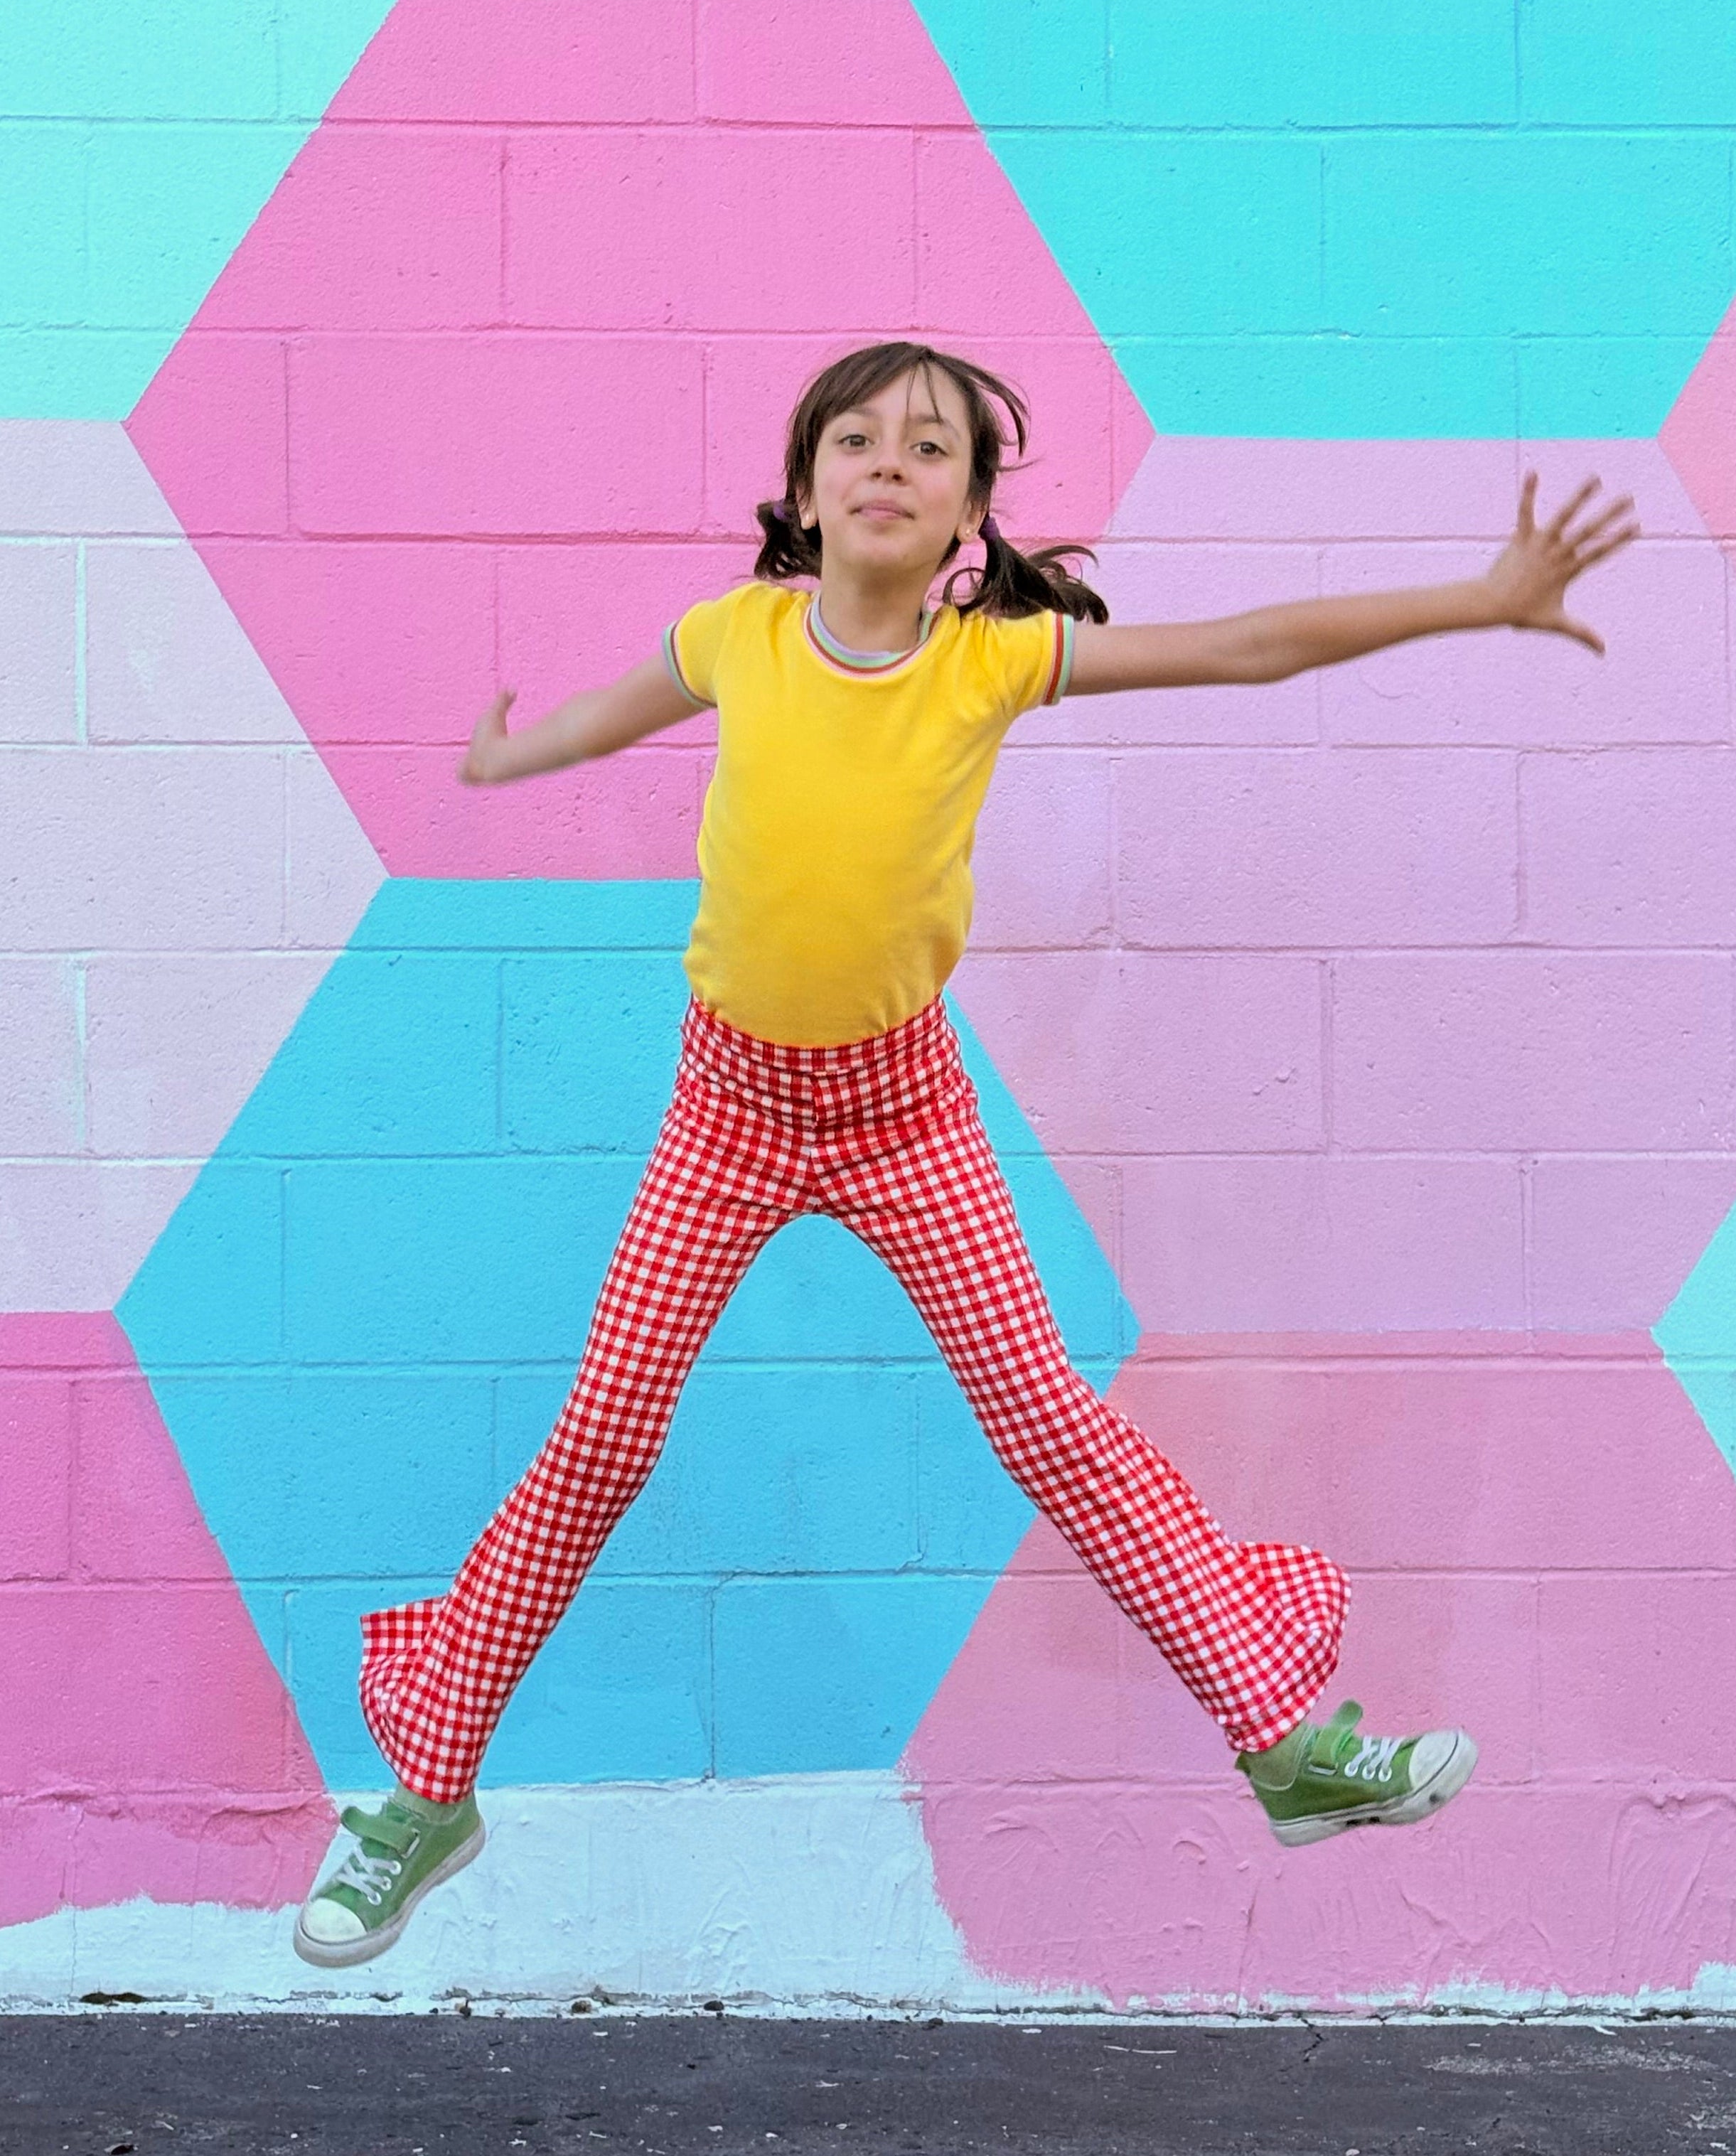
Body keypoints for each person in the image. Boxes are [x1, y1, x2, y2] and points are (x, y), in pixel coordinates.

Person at [294, 340, 1638, 1968]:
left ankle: (1287, 1744)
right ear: (802, 493)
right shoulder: (739, 636)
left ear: (969, 523)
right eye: (852, 439)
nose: (885, 462)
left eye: (928, 451)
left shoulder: (987, 662)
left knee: (1052, 1428)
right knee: (599, 1441)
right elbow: (612, 707)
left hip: (904, 1112)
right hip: (724, 1111)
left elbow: (1251, 646)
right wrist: (519, 752)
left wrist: (1476, 597)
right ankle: (427, 1787)